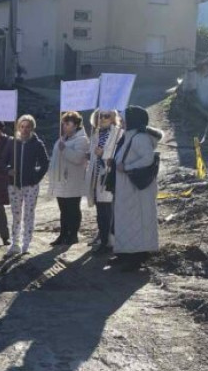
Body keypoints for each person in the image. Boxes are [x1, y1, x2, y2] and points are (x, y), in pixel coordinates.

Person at [112, 105, 162, 271]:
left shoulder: (140, 138)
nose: (121, 122)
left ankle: (137, 257)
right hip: (127, 189)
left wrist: (126, 167)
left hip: (136, 189)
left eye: (124, 118)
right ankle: (125, 253)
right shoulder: (129, 136)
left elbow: (147, 159)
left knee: (137, 221)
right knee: (126, 220)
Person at [7, 114, 49, 255]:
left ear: (32, 128)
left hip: (31, 185)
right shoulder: (12, 142)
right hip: (14, 185)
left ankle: (26, 243)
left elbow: (45, 163)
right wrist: (8, 170)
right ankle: (15, 243)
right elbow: (3, 160)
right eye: (22, 126)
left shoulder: (37, 144)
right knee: (16, 214)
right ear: (18, 127)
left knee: (29, 214)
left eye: (28, 127)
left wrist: (35, 177)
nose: (24, 129)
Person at [48, 111, 91, 246]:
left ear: (76, 125)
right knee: (63, 210)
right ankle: (63, 235)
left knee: (72, 208)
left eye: (67, 123)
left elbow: (78, 158)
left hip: (73, 181)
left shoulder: (82, 140)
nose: (64, 126)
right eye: (63, 123)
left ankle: (73, 235)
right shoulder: (62, 139)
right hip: (60, 180)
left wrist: (65, 149)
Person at [85, 109, 122, 254]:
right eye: (100, 116)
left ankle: (108, 242)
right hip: (96, 176)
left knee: (107, 210)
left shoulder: (118, 133)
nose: (103, 119)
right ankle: (103, 237)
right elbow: (93, 154)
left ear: (113, 118)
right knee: (100, 210)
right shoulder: (96, 134)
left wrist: (104, 154)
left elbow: (117, 154)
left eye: (106, 116)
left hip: (108, 176)